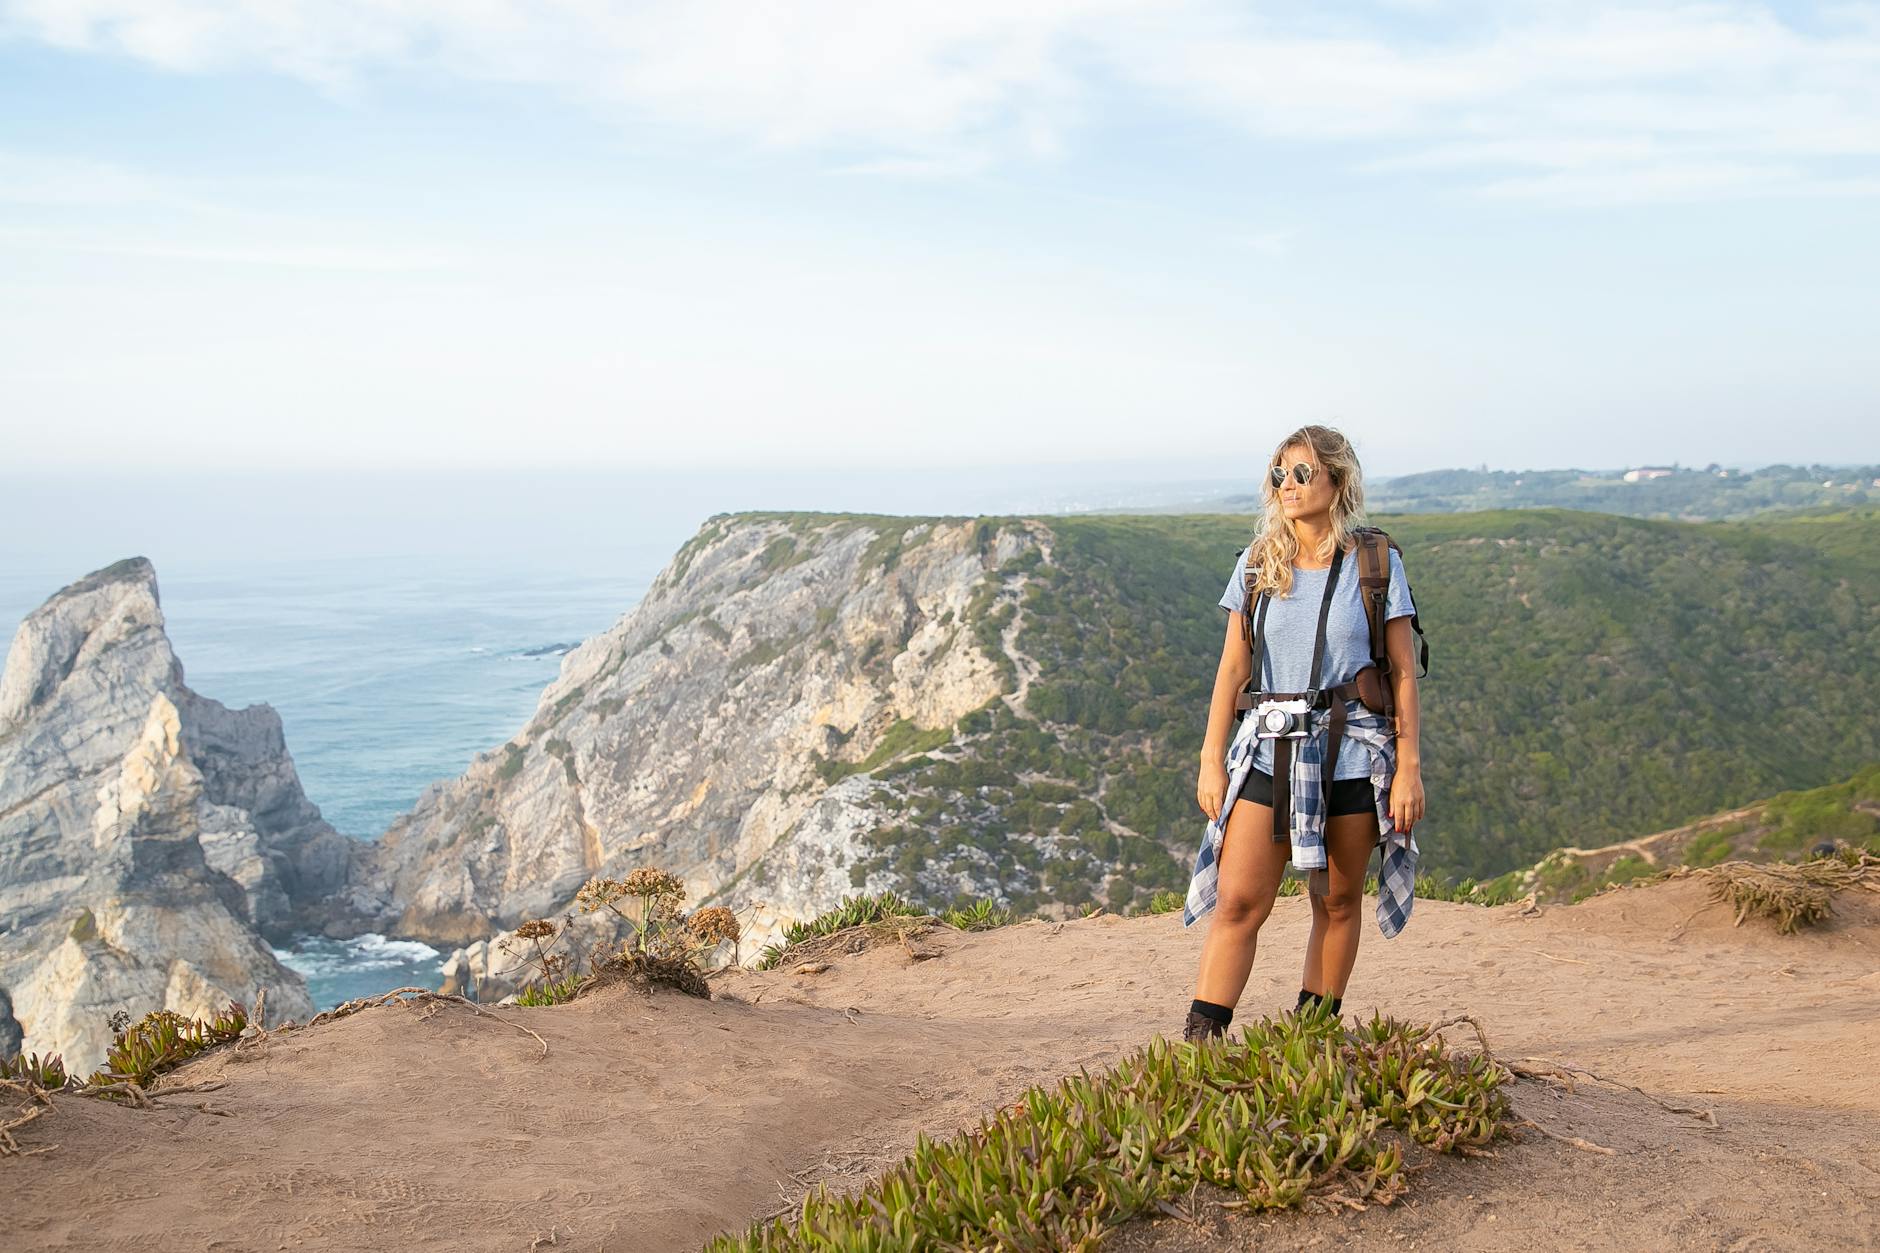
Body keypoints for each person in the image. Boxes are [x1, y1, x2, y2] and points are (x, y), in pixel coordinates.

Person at [1180, 424, 1424, 1044]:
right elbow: (1232, 667)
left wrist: (1409, 769)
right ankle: (1199, 1049)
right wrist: (1212, 759)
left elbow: (1401, 672)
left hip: (1353, 751)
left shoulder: (1375, 565)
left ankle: (1308, 1045)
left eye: (1303, 473)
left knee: (1337, 903)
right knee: (1239, 901)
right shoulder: (1258, 564)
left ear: (1338, 481)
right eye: (1279, 475)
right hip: (1267, 747)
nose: (1288, 486)